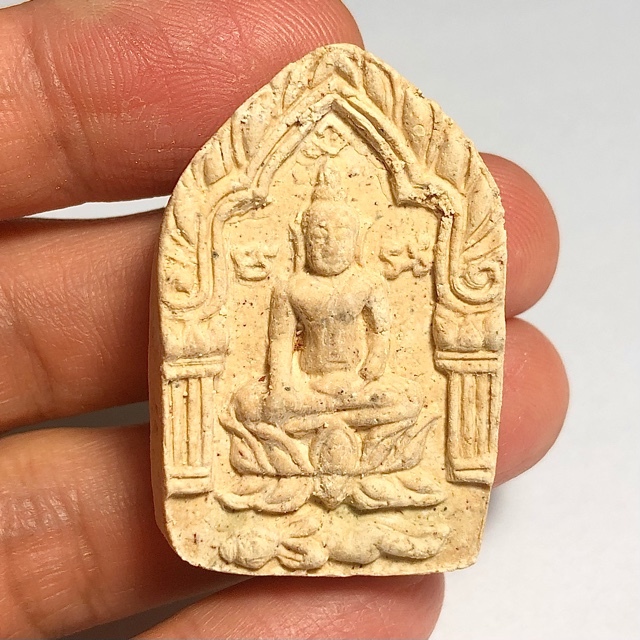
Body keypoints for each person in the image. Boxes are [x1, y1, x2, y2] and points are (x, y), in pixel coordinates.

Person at [0, 0, 568, 638]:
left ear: (352, 237)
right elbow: (276, 352)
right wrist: (282, 389)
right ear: (304, 238)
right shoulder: (291, 287)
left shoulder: (366, 284)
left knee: (407, 404)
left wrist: (368, 375)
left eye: (336, 234)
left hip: (358, 392)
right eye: (318, 234)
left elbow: (383, 341)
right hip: (300, 397)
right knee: (250, 407)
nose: (327, 243)